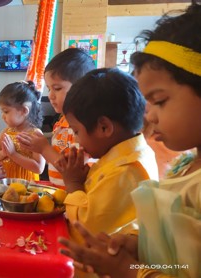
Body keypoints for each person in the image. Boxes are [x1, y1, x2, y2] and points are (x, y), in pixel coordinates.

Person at [58, 2, 201, 278]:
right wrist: (140, 247)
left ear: (103, 127)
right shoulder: (186, 166)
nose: (149, 114)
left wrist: (129, 270)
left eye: (159, 100)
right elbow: (179, 253)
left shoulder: (129, 167)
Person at [55, 67, 159, 277]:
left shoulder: (127, 170)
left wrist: (74, 184)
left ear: (104, 127)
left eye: (76, 131)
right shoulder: (125, 153)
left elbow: (87, 226)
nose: (76, 139)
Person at [17, 48, 96, 187]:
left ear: (81, 88)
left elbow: (75, 172)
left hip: (76, 197)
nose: (51, 95)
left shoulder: (83, 126)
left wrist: (44, 148)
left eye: (57, 88)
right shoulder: (62, 122)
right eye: (49, 89)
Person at [0, 81, 45, 181]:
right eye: (2, 111)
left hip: (27, 187)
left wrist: (13, 154)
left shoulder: (35, 135)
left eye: (6, 111)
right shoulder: (6, 133)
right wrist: (3, 153)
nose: (2, 116)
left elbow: (39, 168)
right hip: (5, 185)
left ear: (24, 111)